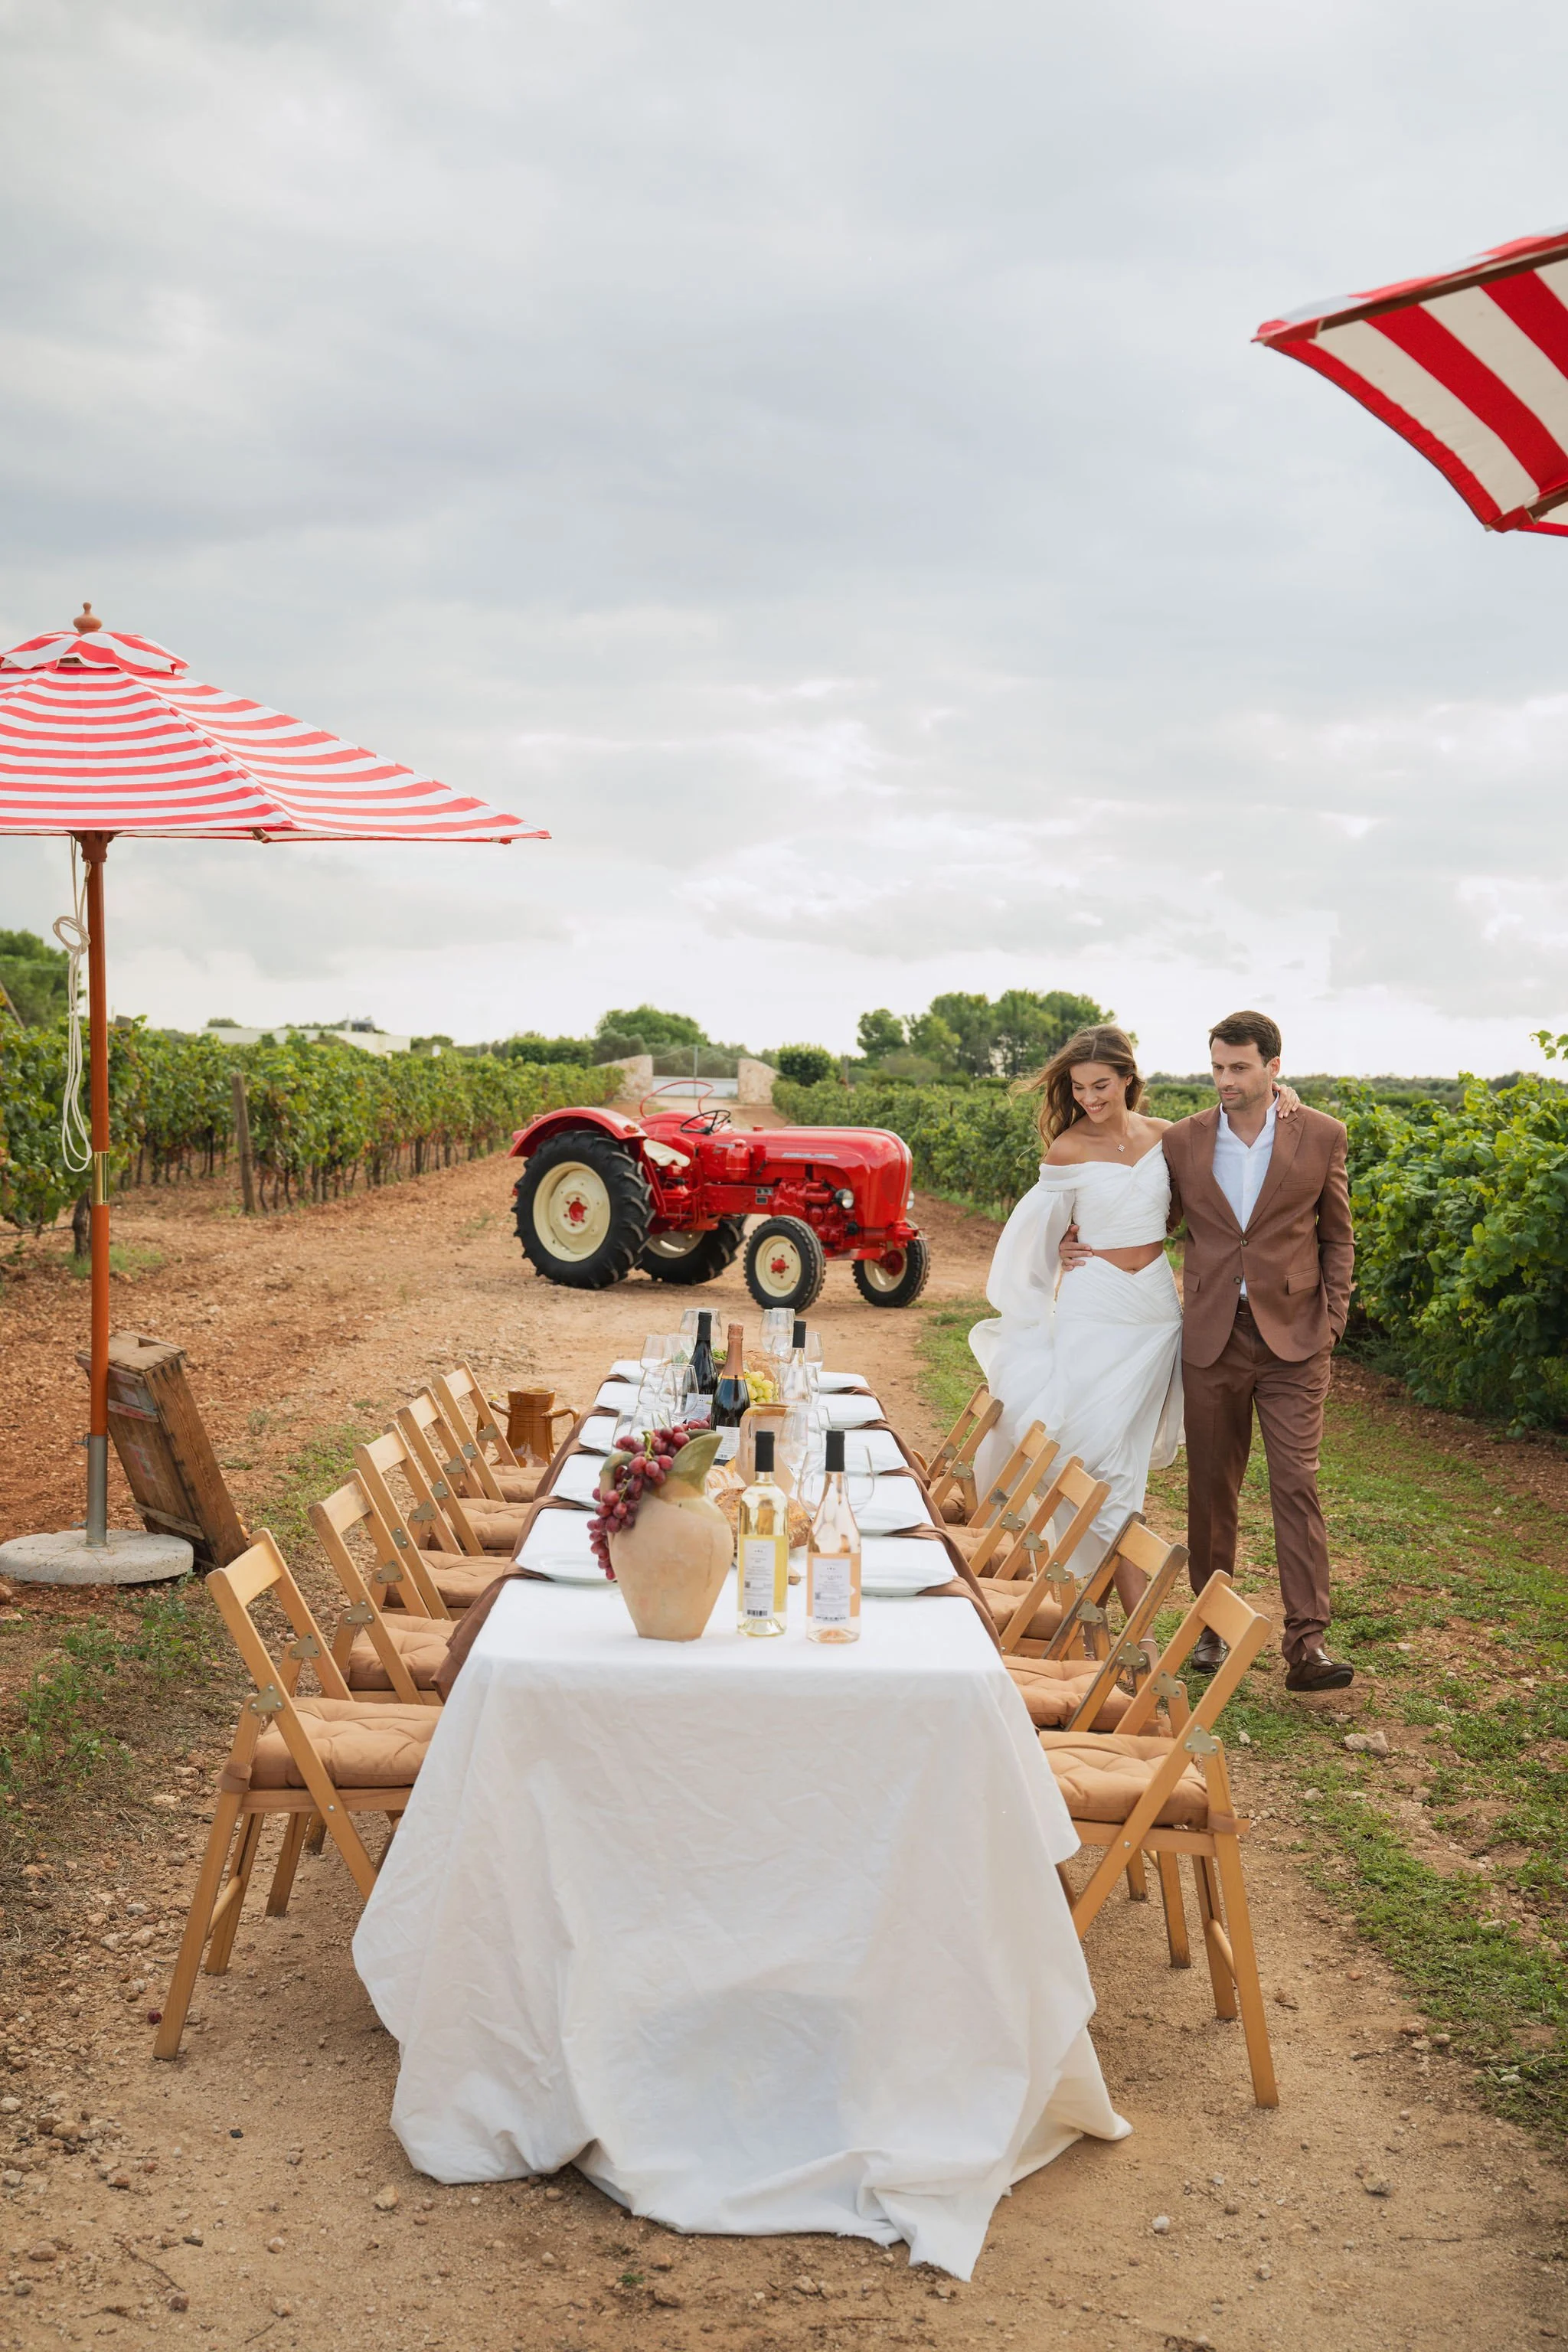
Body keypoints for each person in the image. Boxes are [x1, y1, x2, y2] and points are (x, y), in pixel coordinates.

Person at [1140, 1011, 1355, 1693]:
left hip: (1295, 1340)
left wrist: (1333, 1321)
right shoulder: (1182, 1140)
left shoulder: (1322, 1135)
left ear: (1273, 1068)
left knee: (1296, 1483)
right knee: (1211, 1490)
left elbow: (1337, 1236)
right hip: (1212, 1335)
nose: (1225, 1081)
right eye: (1217, 1068)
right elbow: (1154, 1222)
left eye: (1238, 1068)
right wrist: (1078, 1241)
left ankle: (1308, 1645)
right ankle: (1211, 1627)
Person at [969, 1025, 1184, 1619]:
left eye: (1102, 1085)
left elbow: (1233, 1143)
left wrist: (1285, 1096)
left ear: (1128, 1079)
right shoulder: (1066, 1149)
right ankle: (1136, 1612)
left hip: (1155, 1313)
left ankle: (1096, 1603)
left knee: (1125, 1455)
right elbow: (1031, 1239)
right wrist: (1059, 1257)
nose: (1090, 1098)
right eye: (1080, 1087)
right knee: (1089, 1450)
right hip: (1095, 1308)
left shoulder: (1168, 1138)